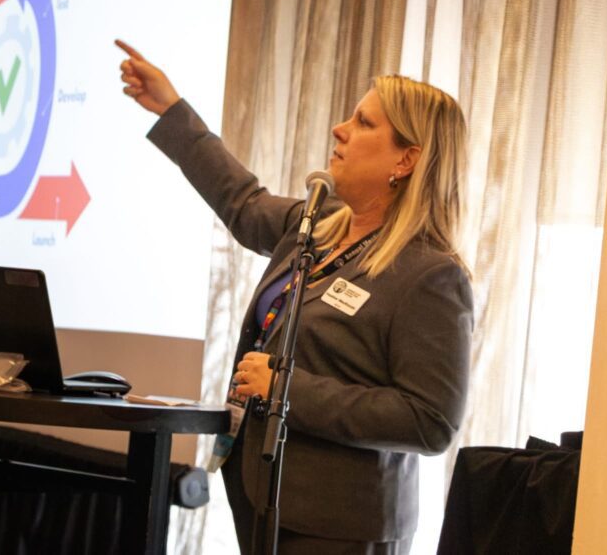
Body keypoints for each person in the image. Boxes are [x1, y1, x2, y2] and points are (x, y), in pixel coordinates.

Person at [116, 39, 473, 554]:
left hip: (341, 524)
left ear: (408, 159)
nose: (340, 129)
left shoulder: (431, 275)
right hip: (262, 499)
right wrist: (172, 111)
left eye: (364, 123)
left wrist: (286, 389)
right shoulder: (317, 226)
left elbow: (430, 420)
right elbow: (241, 201)